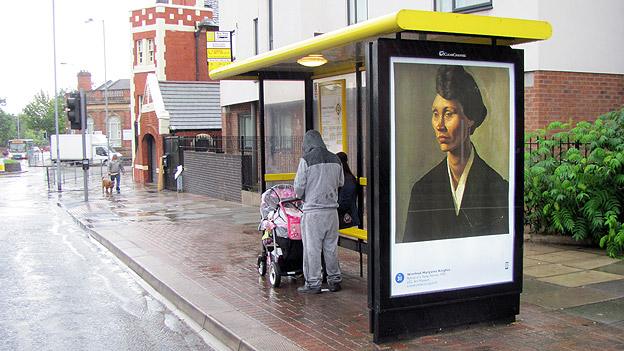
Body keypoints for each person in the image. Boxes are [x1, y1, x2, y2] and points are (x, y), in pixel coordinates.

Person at [402, 65, 508, 243]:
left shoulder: (497, 187)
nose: (439, 125)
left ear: (470, 118)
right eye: (436, 114)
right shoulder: (422, 188)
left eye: (449, 113)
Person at [294, 130, 344, 294]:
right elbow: (341, 182)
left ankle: (313, 283)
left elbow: (299, 188)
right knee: (331, 248)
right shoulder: (336, 159)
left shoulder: (306, 160)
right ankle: (334, 280)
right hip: (332, 212)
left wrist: (305, 195)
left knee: (312, 248)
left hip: (313, 212)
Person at [336, 152, 360, 229]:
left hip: (347, 217)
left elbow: (344, 202)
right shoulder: (344, 178)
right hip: (344, 216)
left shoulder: (347, 180)